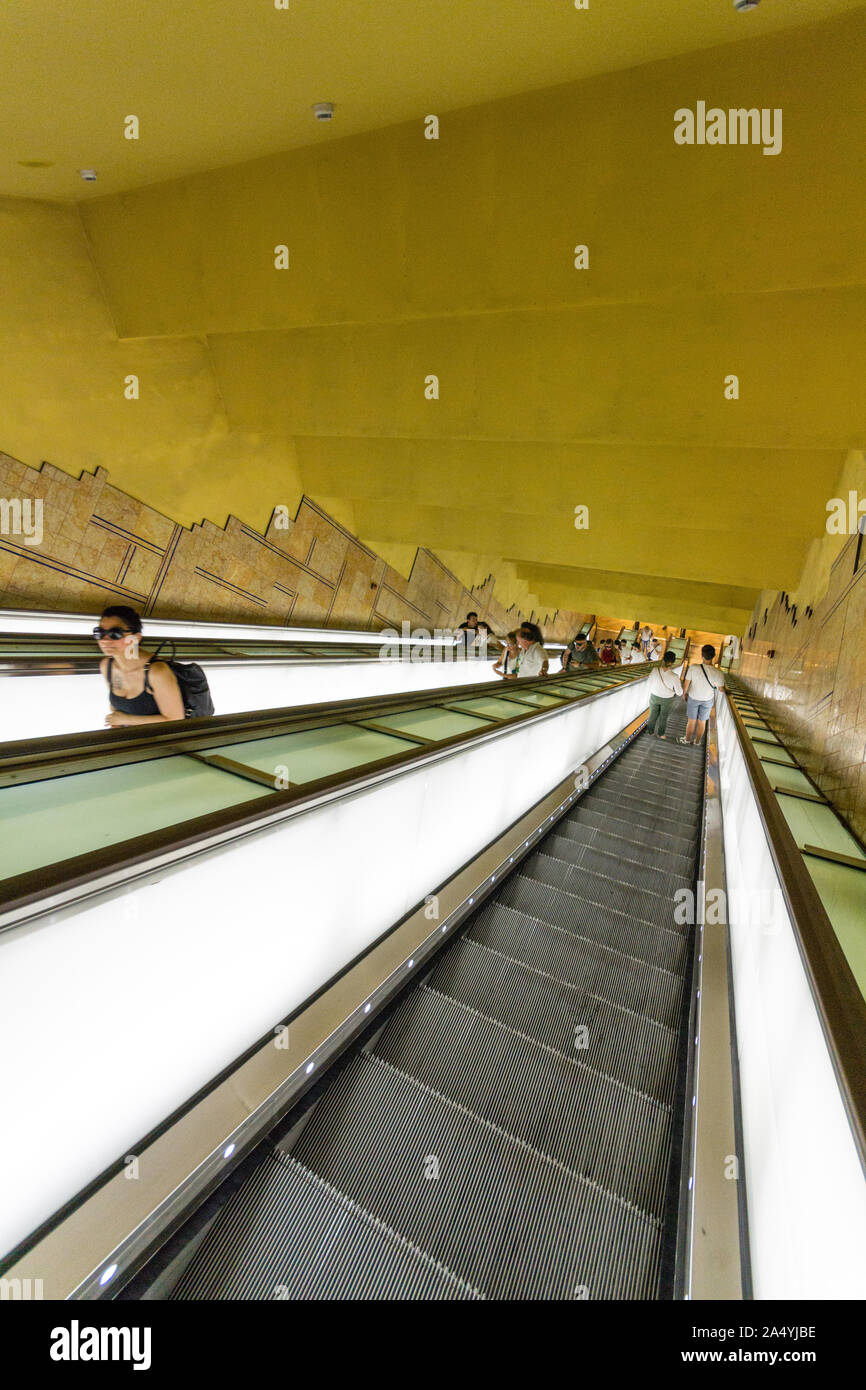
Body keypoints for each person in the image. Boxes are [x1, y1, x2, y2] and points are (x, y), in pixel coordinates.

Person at [95, 606, 185, 727]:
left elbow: (175, 719)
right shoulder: (107, 666)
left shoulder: (156, 672)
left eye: (115, 634)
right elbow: (117, 709)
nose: (105, 640)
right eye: (100, 632)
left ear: (135, 638)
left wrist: (126, 720)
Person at [679, 644, 725, 745]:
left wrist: (684, 694)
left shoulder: (693, 668)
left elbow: (686, 684)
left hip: (693, 697)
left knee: (691, 721)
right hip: (708, 700)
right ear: (714, 656)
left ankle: (687, 740)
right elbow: (721, 690)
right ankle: (697, 741)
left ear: (702, 655)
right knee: (702, 722)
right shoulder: (719, 673)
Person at [646, 651, 684, 739]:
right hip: (667, 699)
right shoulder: (674, 676)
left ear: (663, 659)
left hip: (654, 696)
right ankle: (661, 734)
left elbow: (649, 682)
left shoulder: (655, 670)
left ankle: (650, 732)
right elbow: (679, 693)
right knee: (663, 717)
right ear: (673, 662)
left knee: (652, 715)